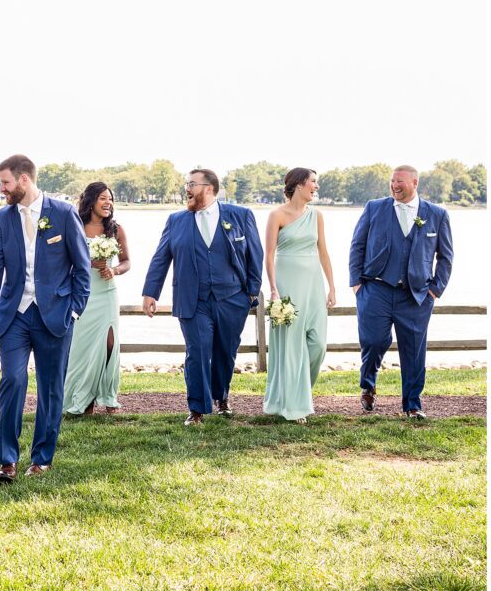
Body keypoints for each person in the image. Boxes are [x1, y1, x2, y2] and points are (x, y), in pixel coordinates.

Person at [0, 155, 90, 481]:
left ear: (23, 180)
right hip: (14, 314)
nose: (2, 190)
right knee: (12, 380)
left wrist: (74, 309)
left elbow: (82, 269)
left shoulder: (64, 214)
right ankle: (7, 460)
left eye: (5, 183)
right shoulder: (2, 219)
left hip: (55, 315)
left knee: (51, 388)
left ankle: (42, 457)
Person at [142, 168, 263, 425]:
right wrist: (150, 291)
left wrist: (251, 292)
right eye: (187, 184)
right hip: (192, 299)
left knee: (225, 350)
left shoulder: (240, 215)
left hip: (232, 297)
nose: (186, 188)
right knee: (197, 351)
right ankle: (196, 408)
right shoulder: (176, 220)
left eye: (192, 184)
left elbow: (255, 254)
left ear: (209, 188)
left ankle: (222, 398)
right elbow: (161, 257)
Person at [349, 166, 453, 419]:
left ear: (415, 182)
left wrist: (434, 291)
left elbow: (446, 256)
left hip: (416, 295)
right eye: (392, 181)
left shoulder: (437, 214)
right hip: (375, 289)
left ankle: (412, 405)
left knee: (414, 350)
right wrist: (356, 283)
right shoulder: (374, 207)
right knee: (373, 341)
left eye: (400, 181)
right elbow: (357, 246)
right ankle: (368, 384)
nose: (394, 185)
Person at [261, 169, 336, 423]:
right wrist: (273, 289)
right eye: (313, 181)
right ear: (299, 184)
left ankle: (298, 393)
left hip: (313, 285)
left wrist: (332, 286)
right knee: (291, 347)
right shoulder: (276, 215)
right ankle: (293, 406)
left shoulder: (317, 216)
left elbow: (323, 251)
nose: (316, 186)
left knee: (317, 346)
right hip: (287, 285)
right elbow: (269, 255)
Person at [63, 182, 129, 415]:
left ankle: (109, 397)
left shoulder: (115, 230)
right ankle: (83, 400)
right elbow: (64, 260)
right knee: (82, 348)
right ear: (90, 201)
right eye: (103, 198)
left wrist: (115, 270)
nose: (108, 202)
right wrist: (85, 263)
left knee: (109, 343)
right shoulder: (76, 227)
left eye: (110, 198)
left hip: (107, 293)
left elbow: (126, 261)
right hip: (82, 294)